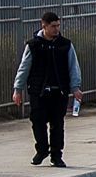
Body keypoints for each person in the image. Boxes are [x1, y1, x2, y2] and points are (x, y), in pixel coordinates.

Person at [13, 10, 81, 168]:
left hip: (59, 91)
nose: (56, 29)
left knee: (57, 124)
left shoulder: (65, 45)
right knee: (38, 122)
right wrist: (17, 89)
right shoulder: (33, 45)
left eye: (58, 26)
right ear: (44, 26)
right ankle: (42, 150)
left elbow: (73, 67)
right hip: (39, 92)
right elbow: (24, 68)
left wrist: (75, 87)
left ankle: (56, 156)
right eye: (53, 26)